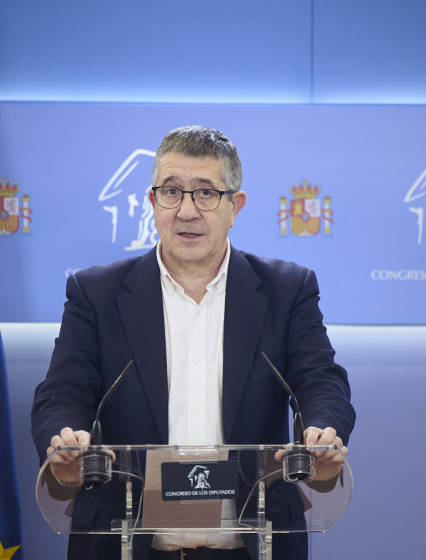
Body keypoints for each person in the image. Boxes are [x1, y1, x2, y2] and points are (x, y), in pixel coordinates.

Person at [31, 125, 355, 560]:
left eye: (205, 193)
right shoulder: (96, 293)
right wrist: (65, 438)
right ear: (152, 202)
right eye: (171, 192)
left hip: (252, 546)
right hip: (125, 543)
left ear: (235, 206)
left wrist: (322, 431)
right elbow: (63, 391)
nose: (186, 211)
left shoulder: (287, 289)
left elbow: (320, 380)